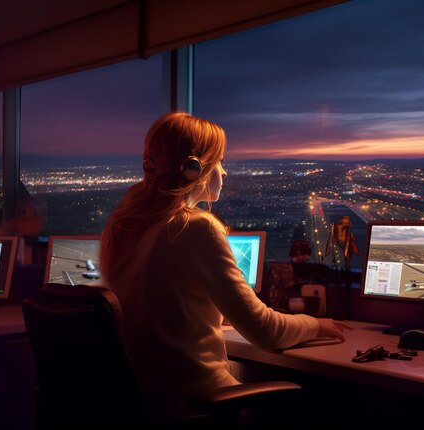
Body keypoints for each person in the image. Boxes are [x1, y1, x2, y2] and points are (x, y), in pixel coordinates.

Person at [99, 112, 351, 423]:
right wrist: (315, 324)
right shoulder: (196, 228)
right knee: (331, 395)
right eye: (219, 161)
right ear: (194, 169)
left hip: (147, 401)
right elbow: (265, 331)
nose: (225, 172)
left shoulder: (122, 225)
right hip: (197, 404)